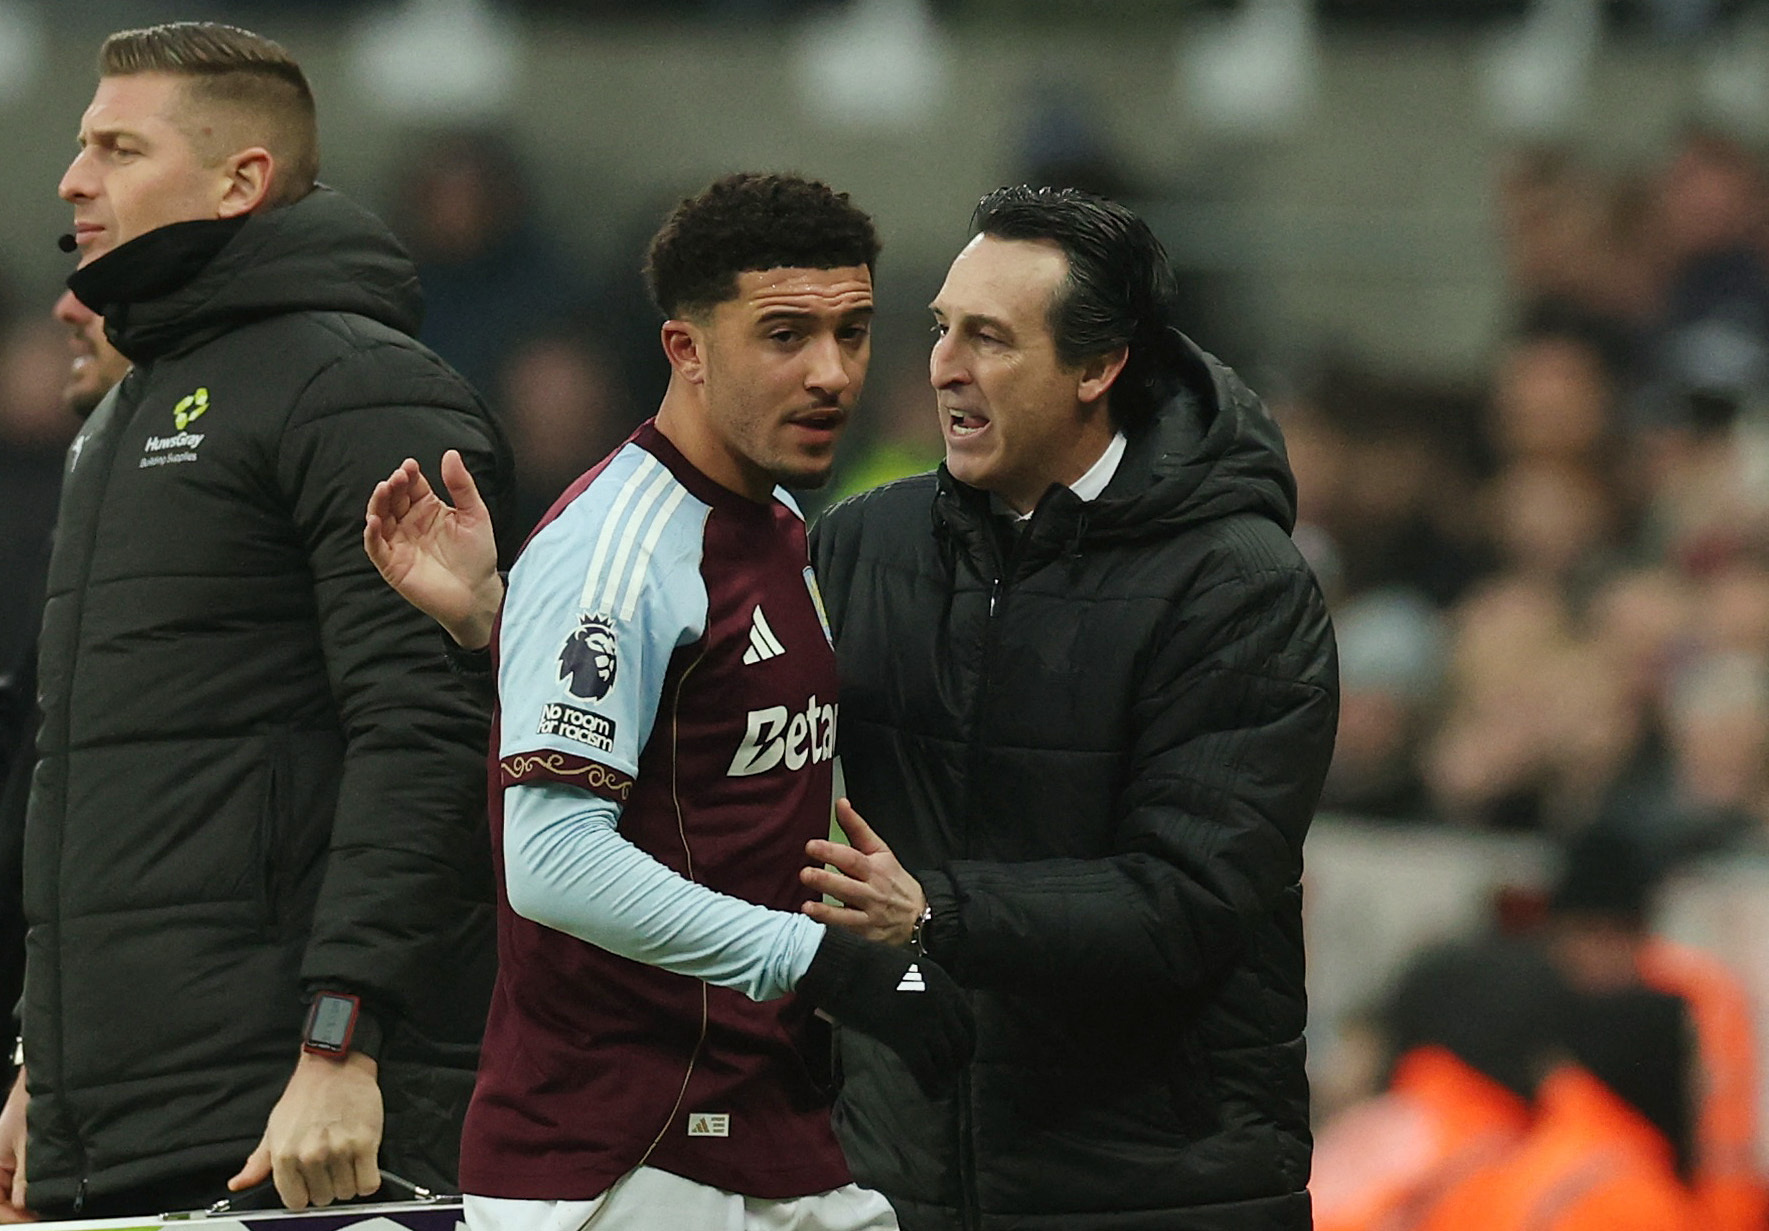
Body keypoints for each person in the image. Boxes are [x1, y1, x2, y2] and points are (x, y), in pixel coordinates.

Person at [369, 185, 1337, 1228]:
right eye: (938, 331)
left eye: (989, 340)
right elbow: (631, 784)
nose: (938, 368)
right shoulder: (863, 542)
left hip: (1150, 1183)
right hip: (824, 1161)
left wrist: (922, 927)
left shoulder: (1234, 585)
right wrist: (503, 632)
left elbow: (1192, 899)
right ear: (685, 348)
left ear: (1098, 369)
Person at [365, 172, 973, 1231]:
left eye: (853, 331)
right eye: (784, 334)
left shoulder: (777, 518)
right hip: (618, 1159)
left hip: (760, 1127)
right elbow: (551, 861)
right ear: (684, 350)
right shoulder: (620, 548)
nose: (831, 372)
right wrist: (823, 963)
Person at [4, 20, 511, 1219]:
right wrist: (43, 1063)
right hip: (120, 1110)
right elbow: (96, 784)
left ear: (242, 181)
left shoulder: (357, 386)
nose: (75, 180)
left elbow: (421, 736)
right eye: (81, 147)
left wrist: (343, 1044)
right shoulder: (120, 425)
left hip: (295, 1112)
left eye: (119, 148)